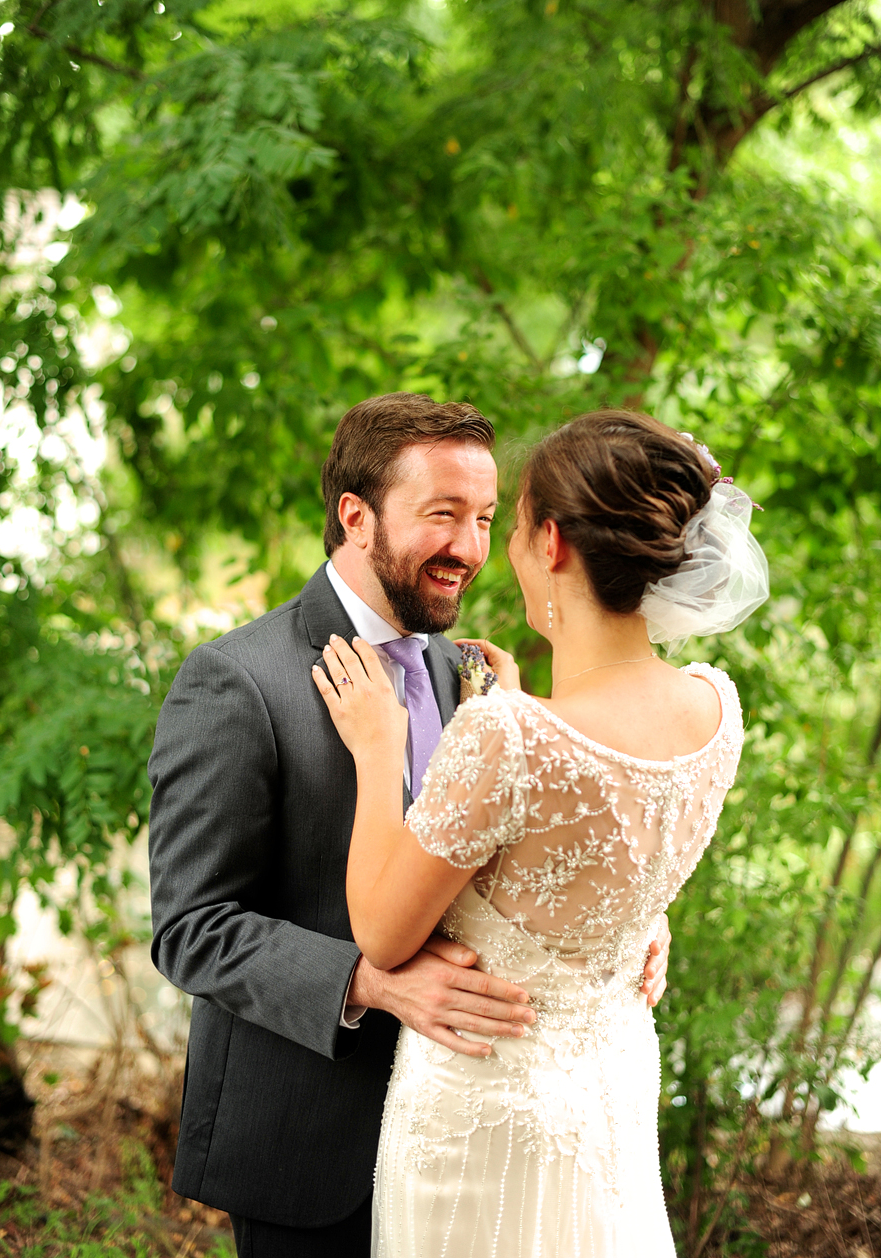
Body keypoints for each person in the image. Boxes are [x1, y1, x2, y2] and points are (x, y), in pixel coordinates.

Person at [147, 393, 671, 1258]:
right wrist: (373, 982)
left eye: (484, 518)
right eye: (442, 515)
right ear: (355, 516)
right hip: (312, 1140)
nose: (468, 549)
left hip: (471, 1142)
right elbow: (192, 929)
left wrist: (626, 918)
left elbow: (515, 860)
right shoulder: (235, 683)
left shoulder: (474, 675)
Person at [312, 409, 770, 1257]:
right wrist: (639, 920)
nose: (497, 552)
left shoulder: (508, 735)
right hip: (609, 1095)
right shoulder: (715, 710)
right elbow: (612, 860)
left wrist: (380, 753)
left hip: (478, 1118)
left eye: (509, 526)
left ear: (552, 543)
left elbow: (379, 930)